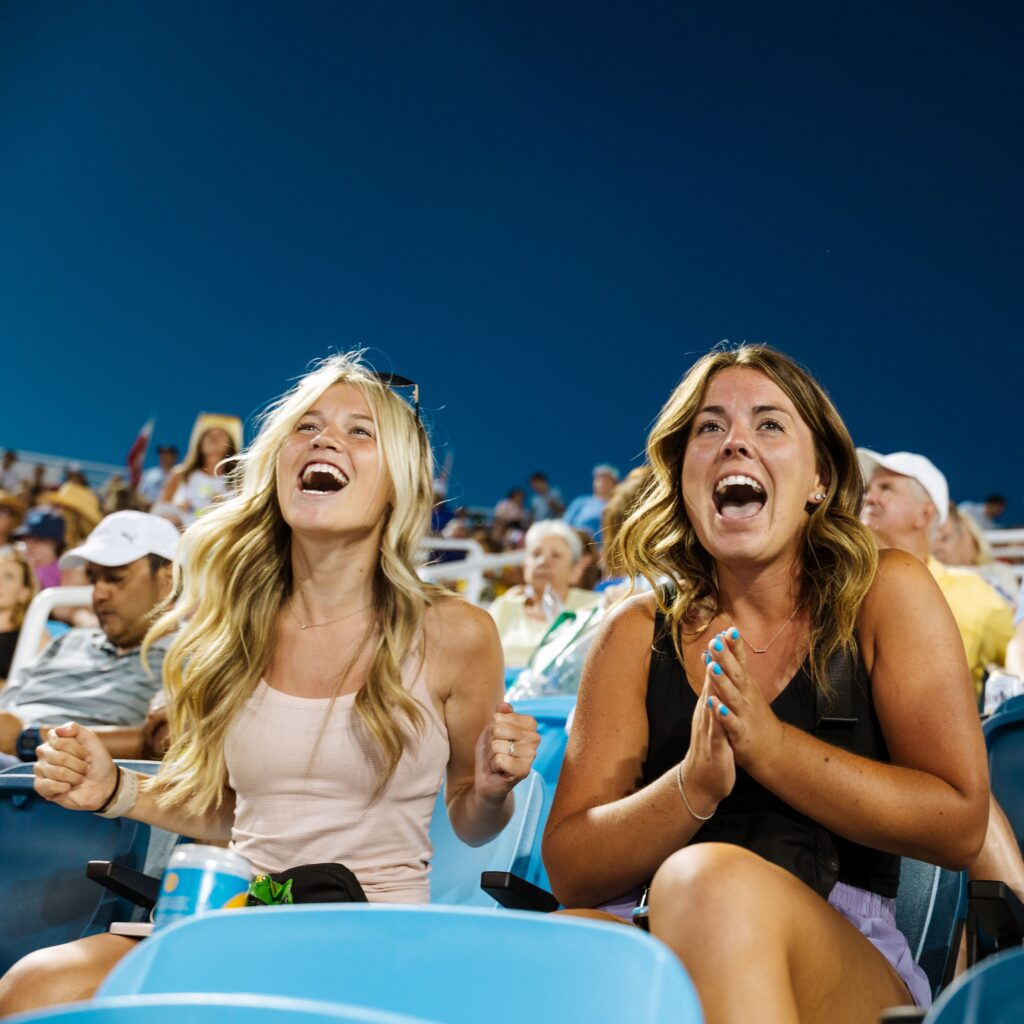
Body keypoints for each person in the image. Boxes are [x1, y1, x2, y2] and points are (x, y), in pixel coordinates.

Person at [0, 354, 540, 1016]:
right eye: (306, 427)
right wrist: (115, 788)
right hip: (233, 912)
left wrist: (489, 790)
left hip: (369, 937)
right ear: (280, 464)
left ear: (398, 483)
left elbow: (472, 818)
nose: (324, 440)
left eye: (359, 431)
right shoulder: (229, 626)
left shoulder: (456, 632)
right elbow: (226, 812)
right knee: (33, 986)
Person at [543, 346, 988, 1020]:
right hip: (652, 930)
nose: (735, 445)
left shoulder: (886, 592)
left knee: (707, 881)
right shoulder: (634, 631)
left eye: (769, 425)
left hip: (843, 959)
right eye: (709, 428)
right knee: (547, 951)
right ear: (682, 473)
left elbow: (958, 821)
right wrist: (690, 788)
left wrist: (771, 748)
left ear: (819, 479)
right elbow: (572, 869)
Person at [0, 510, 178, 765]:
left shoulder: (192, 659)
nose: (99, 593)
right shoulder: (67, 642)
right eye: (94, 579)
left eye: (115, 578)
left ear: (167, 582)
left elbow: (163, 744)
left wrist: (26, 740)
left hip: (57, 789)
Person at [858, 449, 1013, 694]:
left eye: (886, 488)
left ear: (924, 513)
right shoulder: (838, 585)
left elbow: (1017, 654)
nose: (868, 497)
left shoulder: (975, 595)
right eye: (868, 489)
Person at [487, 520, 600, 670]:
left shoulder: (594, 607)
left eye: (556, 555)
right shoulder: (505, 606)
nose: (543, 561)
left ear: (575, 570)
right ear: (525, 565)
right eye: (536, 554)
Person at [159, 413, 242, 526]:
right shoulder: (181, 474)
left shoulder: (240, 479)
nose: (214, 440)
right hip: (181, 534)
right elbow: (158, 508)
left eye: (220, 436)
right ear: (199, 443)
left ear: (230, 444)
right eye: (209, 436)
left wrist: (226, 506)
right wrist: (176, 507)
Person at [932, 501, 1019, 606]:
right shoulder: (932, 582)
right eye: (931, 542)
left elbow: (1013, 611)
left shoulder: (999, 572)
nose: (937, 547)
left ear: (968, 537)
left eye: (944, 539)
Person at [0, 547, 39, 685]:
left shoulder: (35, 636)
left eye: (8, 577)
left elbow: (37, 688)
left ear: (24, 592)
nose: (0, 583)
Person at [563, 463, 619, 540]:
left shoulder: (618, 505)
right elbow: (564, 526)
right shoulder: (580, 501)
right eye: (598, 479)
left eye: (606, 480)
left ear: (614, 484)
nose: (601, 483)